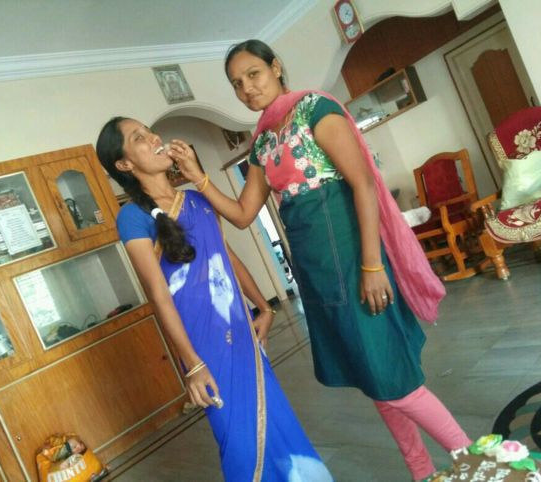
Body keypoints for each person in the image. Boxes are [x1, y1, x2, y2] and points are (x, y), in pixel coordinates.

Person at [169, 39, 472, 482]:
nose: (247, 88)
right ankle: (421, 471)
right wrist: (199, 177)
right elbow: (242, 214)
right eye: (237, 84)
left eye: (253, 74)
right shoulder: (262, 142)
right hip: (317, 273)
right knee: (374, 378)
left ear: (276, 67)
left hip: (354, 261)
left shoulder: (315, 110)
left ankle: (475, 458)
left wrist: (372, 265)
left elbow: (362, 184)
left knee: (394, 377)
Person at [95, 117, 333, 482]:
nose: (154, 138)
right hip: (203, 346)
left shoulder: (195, 199)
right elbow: (158, 294)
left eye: (150, 130)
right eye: (139, 137)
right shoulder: (132, 217)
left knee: (275, 419)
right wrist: (192, 365)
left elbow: (227, 257)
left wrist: (264, 307)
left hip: (240, 330)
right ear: (124, 164)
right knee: (238, 442)